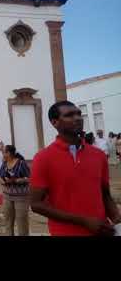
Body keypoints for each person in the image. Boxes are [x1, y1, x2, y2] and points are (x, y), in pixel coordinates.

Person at [30, 101, 121, 236]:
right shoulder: (43, 158)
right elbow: (36, 204)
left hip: (101, 230)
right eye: (69, 115)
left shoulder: (98, 155)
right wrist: (84, 221)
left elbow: (104, 194)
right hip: (65, 232)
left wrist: (117, 219)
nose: (78, 118)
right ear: (55, 122)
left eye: (79, 114)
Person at [0, 145, 30, 236]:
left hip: (21, 197)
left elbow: (29, 178)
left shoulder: (21, 163)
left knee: (22, 221)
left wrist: (19, 180)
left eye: (4, 152)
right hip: (7, 196)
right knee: (8, 220)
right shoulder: (4, 163)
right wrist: (2, 181)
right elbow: (0, 176)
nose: (3, 154)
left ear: (8, 153)